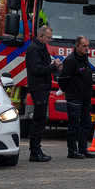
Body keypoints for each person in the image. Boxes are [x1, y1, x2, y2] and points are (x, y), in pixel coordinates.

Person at [25, 25, 61, 162]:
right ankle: (35, 151)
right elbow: (37, 69)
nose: (50, 40)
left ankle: (36, 150)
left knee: (41, 118)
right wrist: (53, 66)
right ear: (40, 36)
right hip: (39, 87)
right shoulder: (34, 49)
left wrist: (54, 65)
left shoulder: (40, 48)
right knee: (39, 119)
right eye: (48, 37)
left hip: (42, 86)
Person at [58, 35, 95, 159]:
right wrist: (66, 90)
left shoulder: (85, 59)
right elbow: (63, 79)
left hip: (86, 97)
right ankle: (72, 151)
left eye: (87, 46)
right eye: (84, 46)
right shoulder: (70, 60)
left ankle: (83, 148)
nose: (87, 48)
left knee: (86, 124)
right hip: (74, 97)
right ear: (77, 46)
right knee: (74, 124)